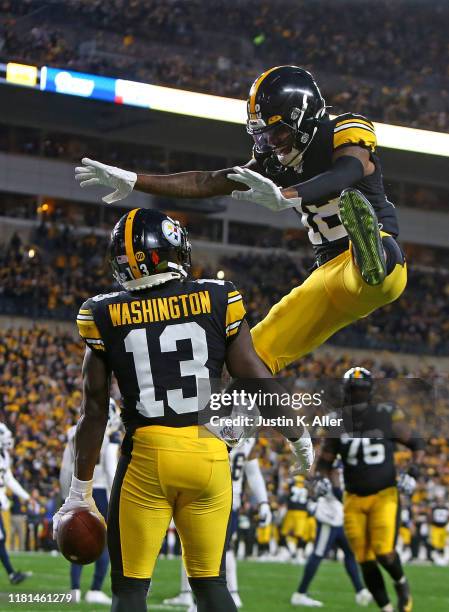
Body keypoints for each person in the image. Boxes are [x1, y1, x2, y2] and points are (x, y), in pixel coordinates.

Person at [52, 208, 313, 612]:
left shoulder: (101, 313)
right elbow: (253, 377)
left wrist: (79, 493)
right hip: (208, 456)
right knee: (211, 585)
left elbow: (94, 412)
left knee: (130, 590)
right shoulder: (216, 297)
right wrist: (298, 435)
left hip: (147, 457)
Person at [75, 65, 407, 376]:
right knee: (252, 355)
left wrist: (287, 195)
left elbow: (347, 171)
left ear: (303, 119)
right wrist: (136, 180)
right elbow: (209, 181)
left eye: (276, 133)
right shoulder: (274, 162)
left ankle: (370, 255)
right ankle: (232, 429)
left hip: (380, 261)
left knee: (362, 272)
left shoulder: (345, 129)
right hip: (328, 273)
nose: (268, 144)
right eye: (262, 135)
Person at [316, 367, 424, 612]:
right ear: (347, 392)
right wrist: (322, 478)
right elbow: (325, 461)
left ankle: (401, 583)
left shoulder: (384, 416)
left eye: (361, 389)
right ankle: (386, 608)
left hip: (384, 494)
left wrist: (414, 471)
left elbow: (417, 442)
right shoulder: (338, 423)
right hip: (352, 498)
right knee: (364, 559)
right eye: (354, 390)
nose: (357, 394)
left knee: (384, 552)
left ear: (370, 391)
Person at [164, 437, 272, 609]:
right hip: (230, 499)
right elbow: (252, 471)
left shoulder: (214, 429)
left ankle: (198, 601)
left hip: (212, 496)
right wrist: (263, 502)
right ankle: (218, 595)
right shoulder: (248, 436)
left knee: (204, 552)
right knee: (216, 550)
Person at [59, 399, 121, 605]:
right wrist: (116, 497)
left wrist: (67, 495)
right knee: (103, 543)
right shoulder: (110, 435)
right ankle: (95, 589)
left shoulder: (72, 433)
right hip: (102, 491)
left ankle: (74, 590)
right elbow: (111, 469)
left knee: (76, 537)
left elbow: (66, 469)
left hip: (79, 489)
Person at [291, 473, 372, 607]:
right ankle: (300, 594)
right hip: (328, 519)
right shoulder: (329, 467)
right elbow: (333, 490)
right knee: (317, 554)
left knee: (350, 554)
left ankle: (360, 592)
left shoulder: (338, 466)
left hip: (340, 518)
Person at [0, 423, 30, 584]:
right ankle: (12, 574)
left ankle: (12, 574)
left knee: (1, 538)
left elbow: (8, 479)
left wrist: (26, 496)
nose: (8, 441)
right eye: (5, 438)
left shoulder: (4, 455)